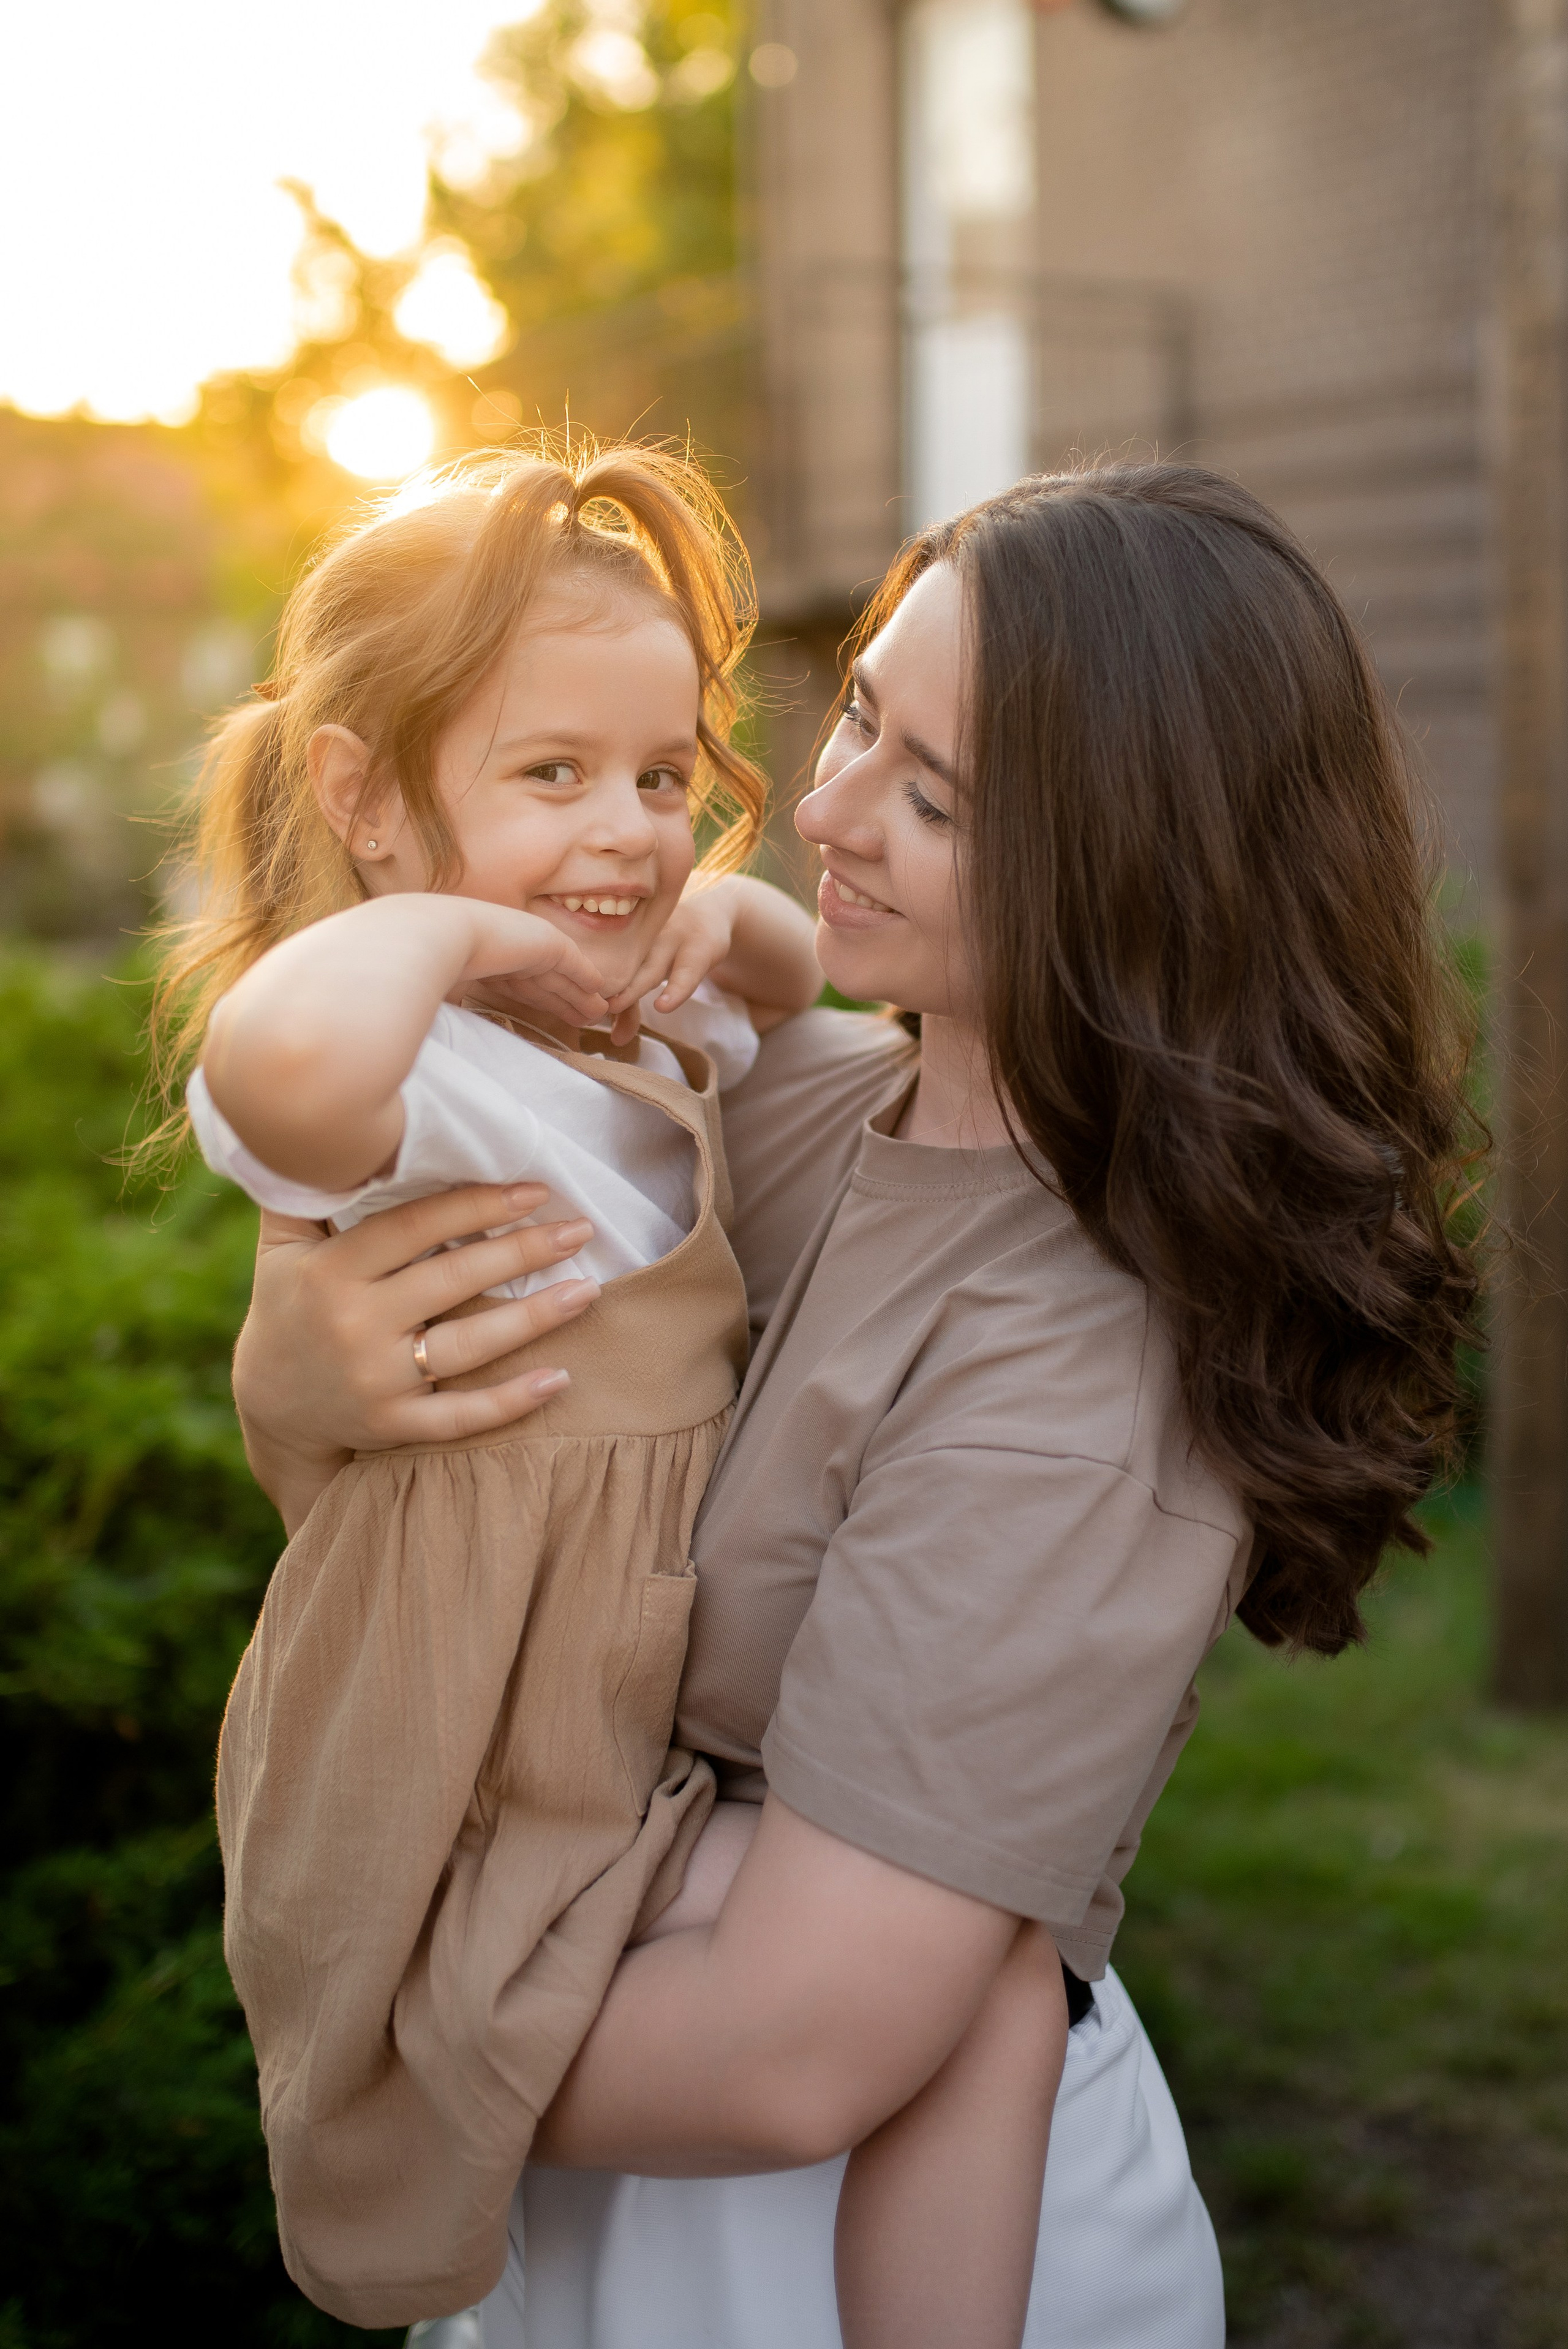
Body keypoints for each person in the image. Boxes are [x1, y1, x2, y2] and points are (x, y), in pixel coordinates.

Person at [226, 463, 1482, 2349]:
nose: (816, 809)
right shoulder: (779, 1106)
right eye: (861, 717)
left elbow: (798, 2051)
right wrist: (295, 1364)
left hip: (813, 2255)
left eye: (934, 796)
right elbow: (448, 1478)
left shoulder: (1072, 1375)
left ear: (1125, 868)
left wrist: (386, 2041)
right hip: (587, 2211)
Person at [157, 443, 1095, 2349]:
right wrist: (470, 932)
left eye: (666, 778)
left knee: (995, 1985)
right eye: (553, 775)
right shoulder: (425, 1070)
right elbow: (274, 1060)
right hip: (466, 1751)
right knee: (975, 1989)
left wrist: (704, 921)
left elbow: (791, 971)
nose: (634, 831)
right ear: (365, 800)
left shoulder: (628, 1036)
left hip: (591, 1743)